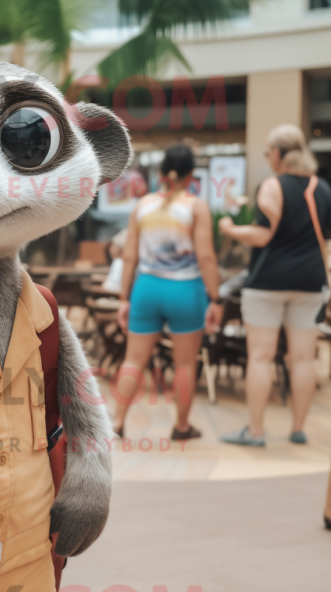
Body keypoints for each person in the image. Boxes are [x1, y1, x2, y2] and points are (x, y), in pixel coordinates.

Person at [219, 124, 331, 447]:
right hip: (311, 281)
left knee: (261, 357)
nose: (268, 158)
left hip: (268, 281)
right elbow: (323, 239)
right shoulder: (322, 188)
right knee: (303, 358)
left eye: (269, 153)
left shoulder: (272, 186)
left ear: (279, 154)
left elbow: (263, 234)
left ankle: (255, 432)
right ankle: (298, 428)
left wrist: (230, 228)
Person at [114, 144, 224, 440]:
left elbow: (129, 258)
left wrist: (123, 298)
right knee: (185, 363)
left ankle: (117, 423)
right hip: (185, 290)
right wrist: (216, 298)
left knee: (133, 359)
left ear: (162, 172)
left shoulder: (142, 205)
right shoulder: (195, 206)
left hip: (146, 289)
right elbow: (206, 258)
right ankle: (182, 426)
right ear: (192, 175)